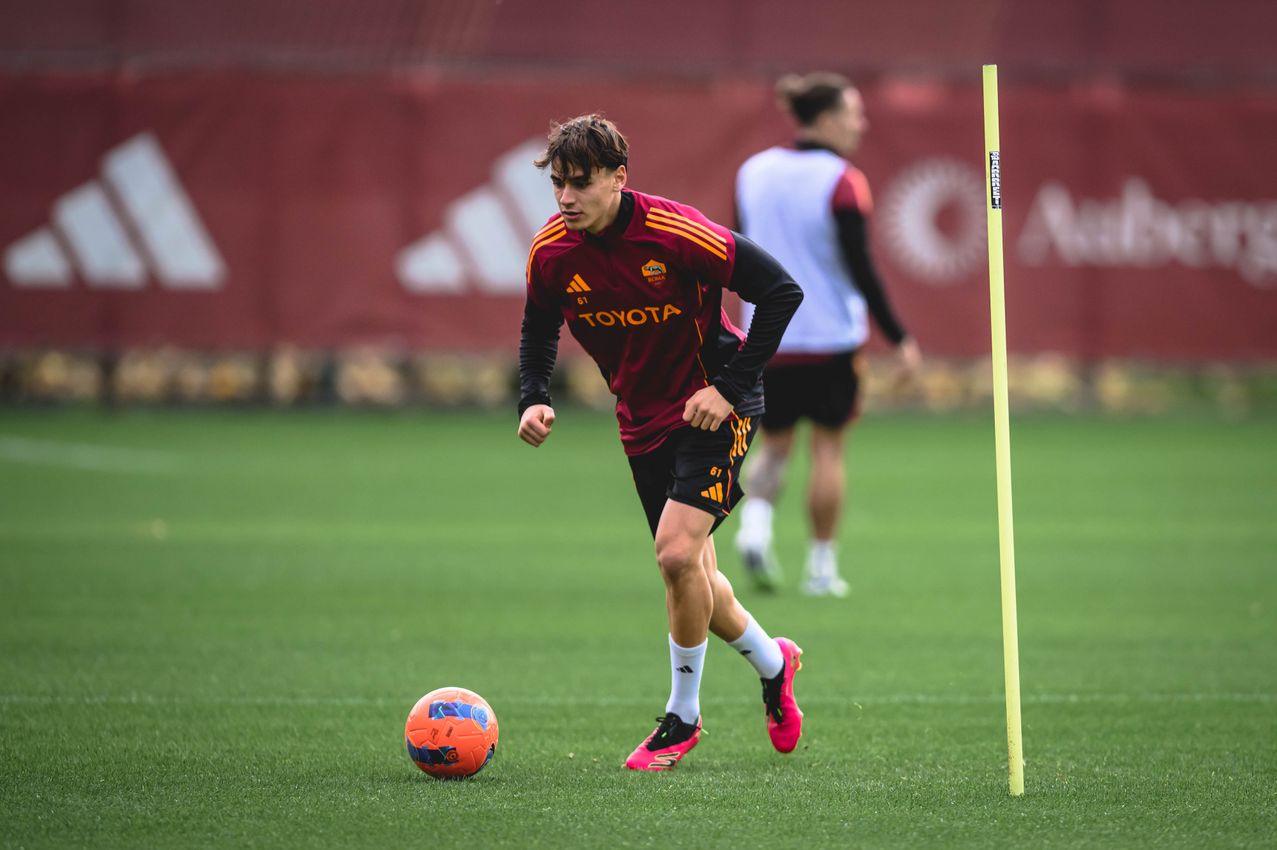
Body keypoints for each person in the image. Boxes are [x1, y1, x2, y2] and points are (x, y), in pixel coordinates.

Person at [518, 114, 805, 771]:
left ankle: (681, 719)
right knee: (695, 574)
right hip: (641, 419)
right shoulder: (552, 253)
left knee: (675, 555)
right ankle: (772, 662)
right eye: (557, 185)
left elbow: (781, 291)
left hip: (715, 409)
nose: (565, 199)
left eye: (580, 184)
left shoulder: (673, 232)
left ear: (619, 178)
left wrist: (728, 390)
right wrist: (533, 395)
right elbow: (538, 328)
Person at [734, 72, 921, 597]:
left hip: (768, 335)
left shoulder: (754, 171)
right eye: (853, 112)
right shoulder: (843, 180)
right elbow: (862, 267)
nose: (861, 123)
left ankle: (755, 527)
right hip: (831, 336)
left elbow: (736, 253)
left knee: (772, 445)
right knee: (828, 451)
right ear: (828, 119)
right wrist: (898, 336)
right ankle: (820, 569)